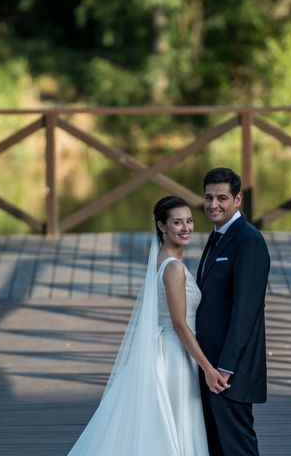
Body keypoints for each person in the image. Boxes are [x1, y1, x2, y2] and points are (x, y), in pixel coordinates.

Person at [68, 196, 227, 455]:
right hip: (175, 355)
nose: (186, 228)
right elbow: (179, 324)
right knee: (176, 423)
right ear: (162, 226)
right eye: (177, 222)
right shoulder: (173, 268)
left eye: (189, 220)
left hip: (165, 348)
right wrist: (208, 368)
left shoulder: (164, 258)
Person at [196, 167, 271, 456]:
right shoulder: (218, 236)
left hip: (230, 372)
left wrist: (224, 368)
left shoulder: (248, 241)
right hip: (211, 366)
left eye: (222, 198)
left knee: (238, 448)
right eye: (208, 197)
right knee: (217, 446)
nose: (214, 204)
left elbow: (245, 311)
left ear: (237, 200)